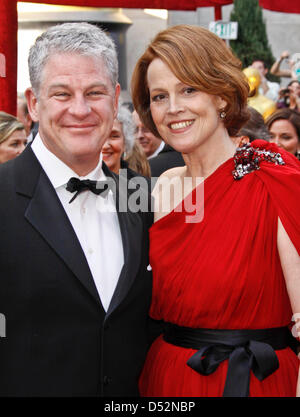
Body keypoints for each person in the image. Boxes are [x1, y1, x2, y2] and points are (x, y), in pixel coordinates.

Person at [131, 24, 300, 397]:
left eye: (188, 89)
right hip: (166, 381)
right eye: (159, 96)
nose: (173, 108)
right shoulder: (156, 189)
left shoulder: (274, 177)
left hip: (259, 382)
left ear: (222, 96)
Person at [0, 22, 154, 397]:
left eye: (95, 92)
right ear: (33, 104)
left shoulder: (140, 194)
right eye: (62, 94)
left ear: (116, 99)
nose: (81, 109)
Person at [102, 103, 150, 177]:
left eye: (114, 136)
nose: (105, 146)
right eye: (100, 137)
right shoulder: (78, 184)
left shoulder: (143, 187)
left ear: (125, 142)